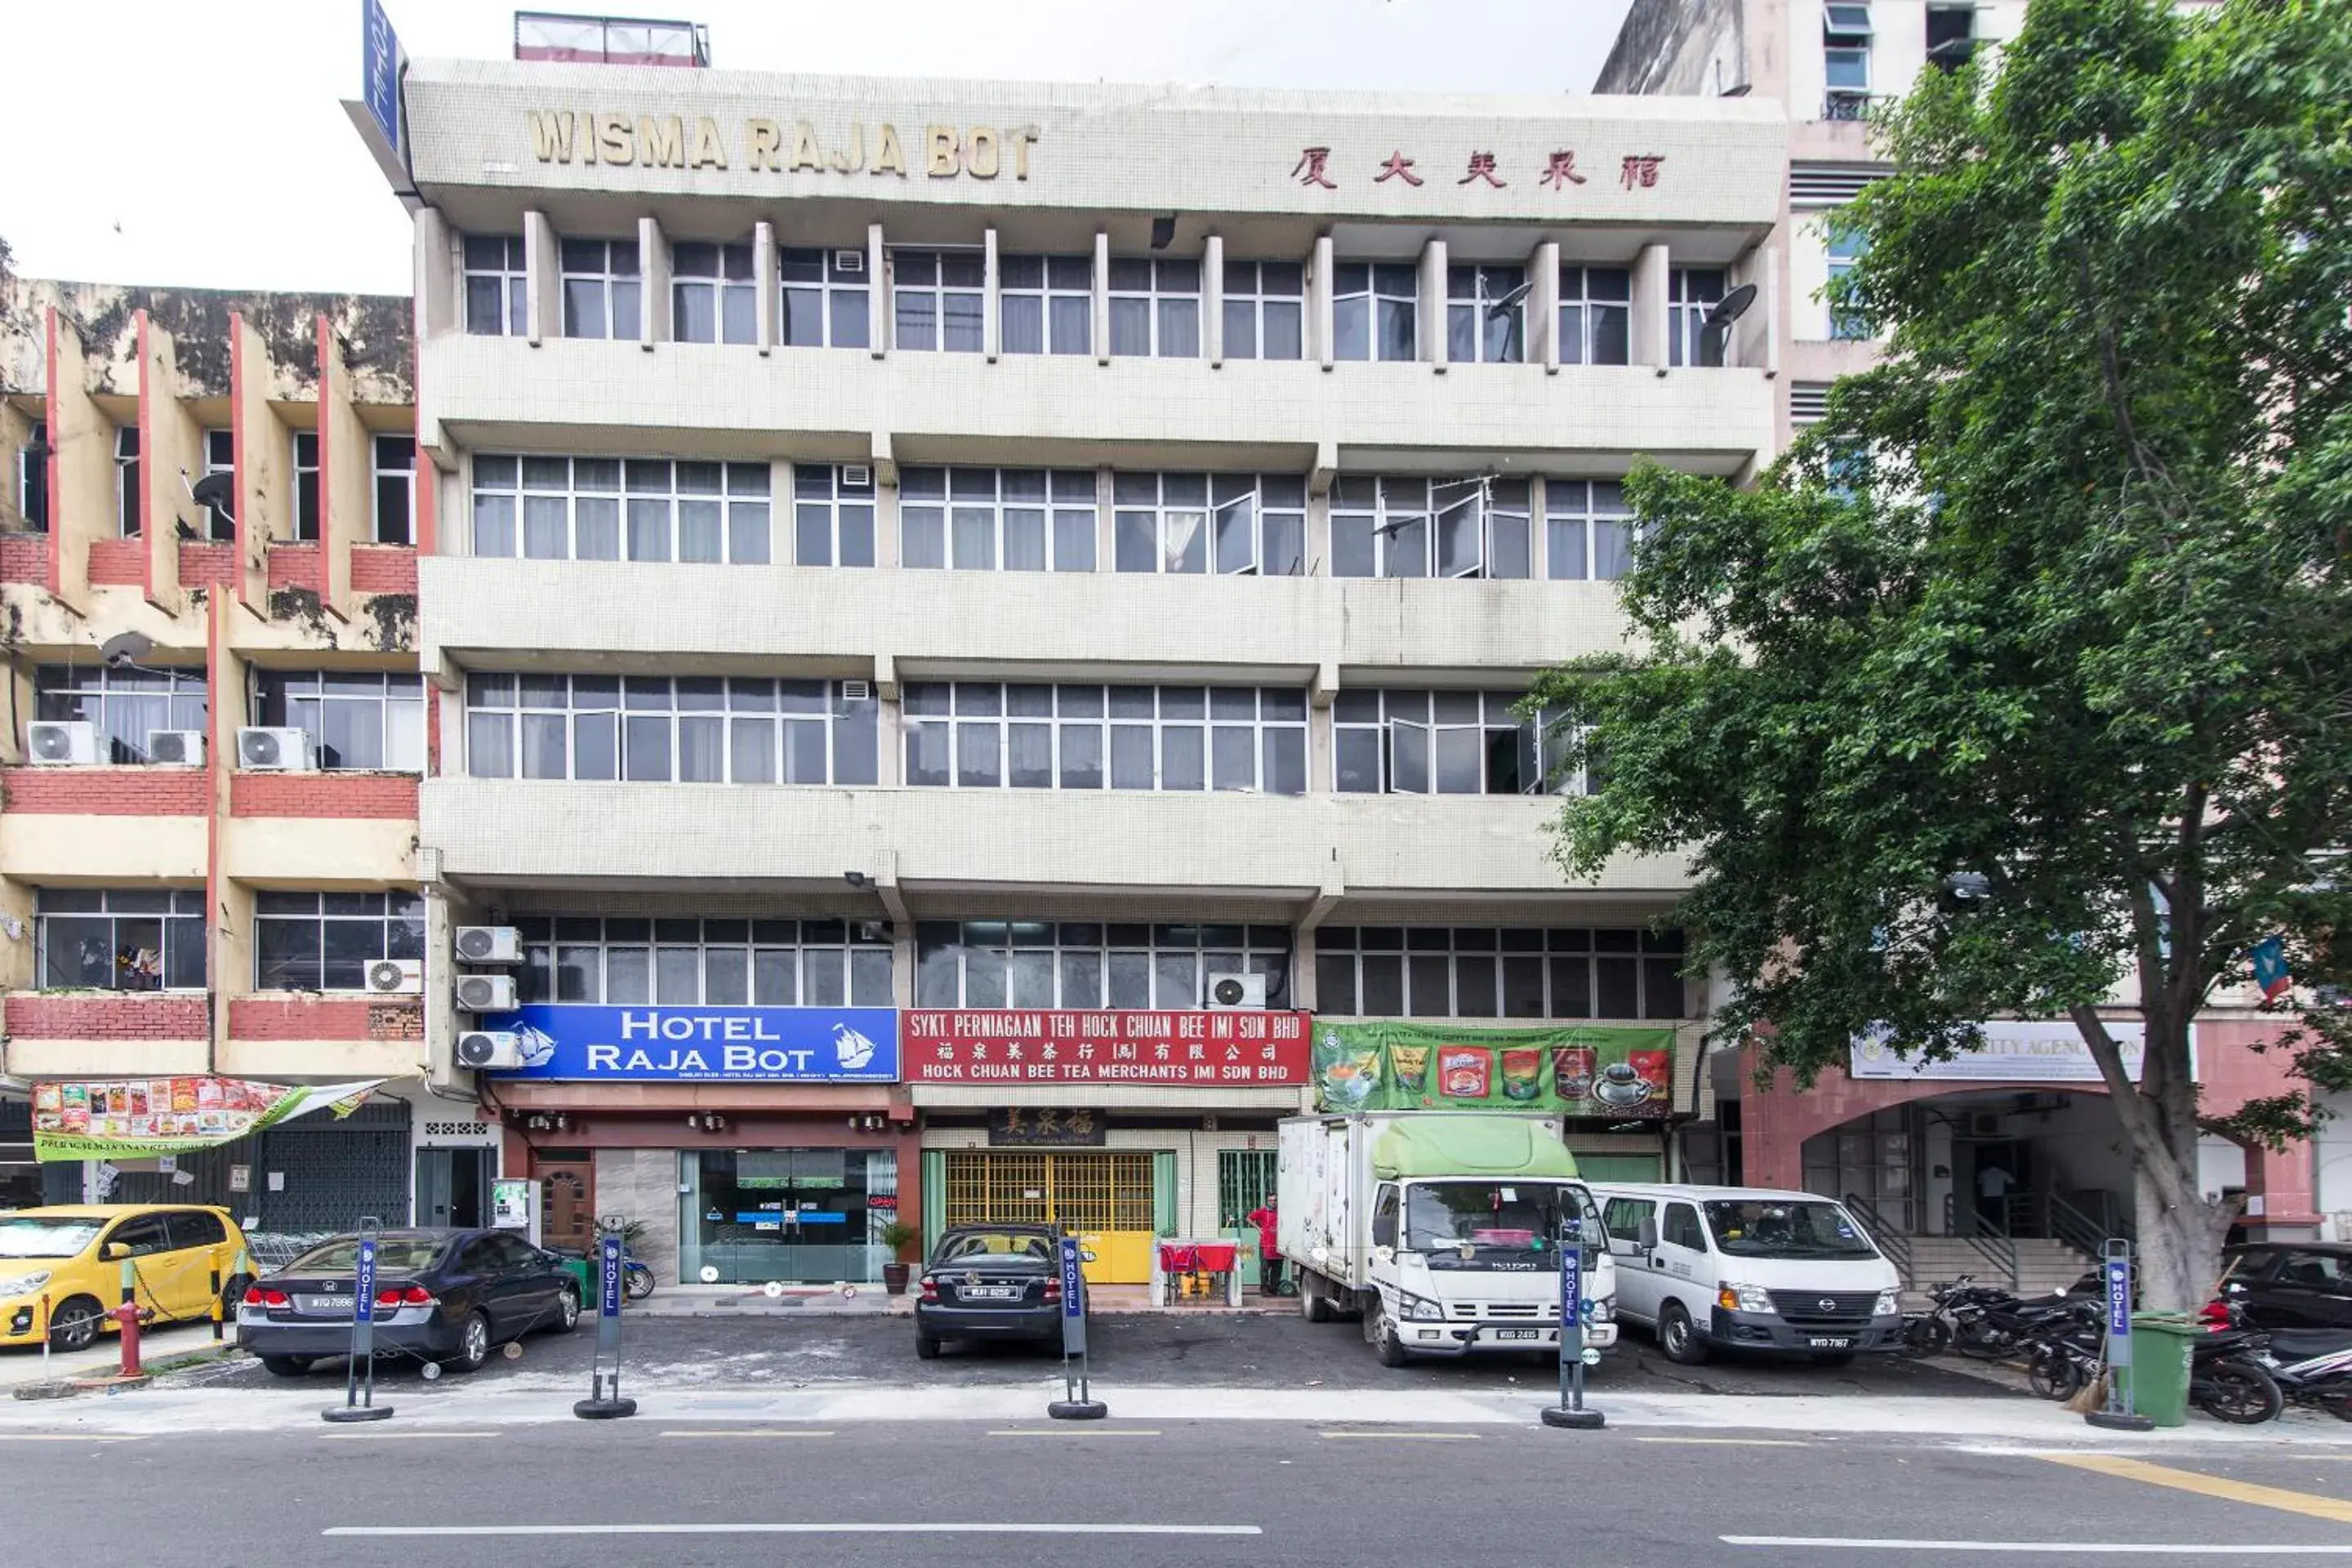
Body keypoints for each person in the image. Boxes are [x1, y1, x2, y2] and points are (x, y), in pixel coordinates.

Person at [1245, 1194, 1281, 1295]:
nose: (1273, 1202)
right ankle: (1264, 1289)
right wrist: (1259, 1229)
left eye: (1275, 1200)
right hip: (1265, 1244)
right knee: (1265, 1268)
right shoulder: (1263, 1211)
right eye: (1270, 1200)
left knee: (1277, 1269)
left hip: (1279, 1245)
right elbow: (1248, 1218)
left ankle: (1274, 1289)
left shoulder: (1281, 1211)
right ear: (1267, 1201)